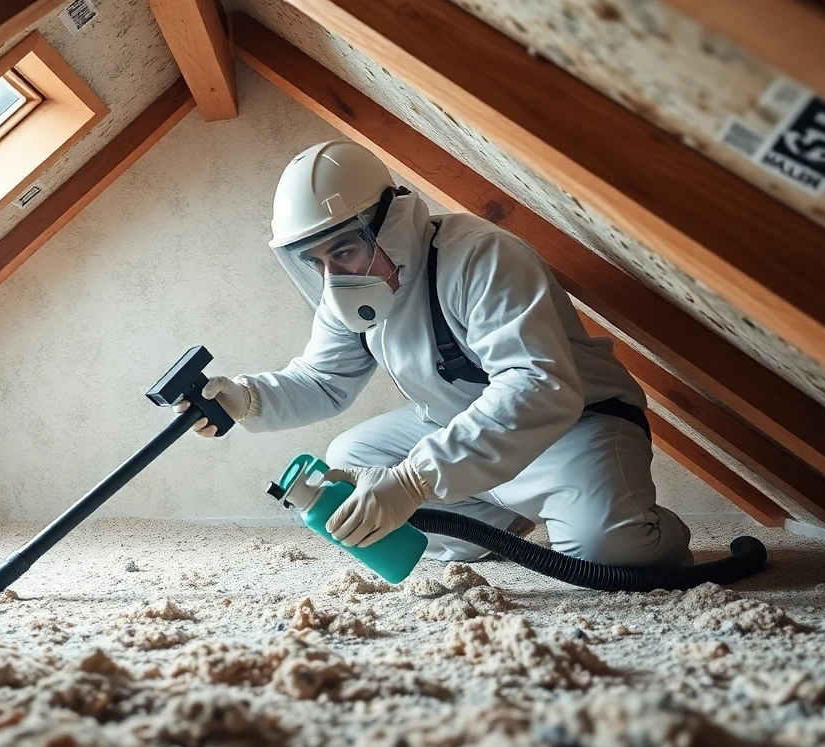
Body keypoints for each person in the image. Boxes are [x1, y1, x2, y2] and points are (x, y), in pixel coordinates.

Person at [178, 139, 691, 566]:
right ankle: (492, 527)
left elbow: (536, 387)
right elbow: (322, 381)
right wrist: (245, 397)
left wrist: (413, 479)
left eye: (343, 249)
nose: (334, 276)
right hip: (454, 426)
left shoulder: (481, 257)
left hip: (572, 427)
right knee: (350, 459)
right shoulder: (350, 292)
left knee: (608, 553)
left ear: (389, 223)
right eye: (315, 261)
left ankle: (644, 527)